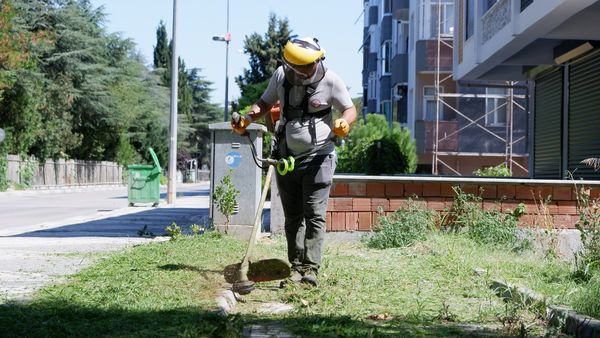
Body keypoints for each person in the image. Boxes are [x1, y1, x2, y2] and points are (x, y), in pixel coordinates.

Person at [231, 36, 357, 287]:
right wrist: (247, 118)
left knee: (314, 214)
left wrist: (344, 123)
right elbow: (264, 104)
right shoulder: (281, 76)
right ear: (288, 64)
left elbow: (349, 109)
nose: (301, 73)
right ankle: (296, 268)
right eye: (296, 68)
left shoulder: (331, 79)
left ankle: (311, 269)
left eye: (307, 68)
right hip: (286, 158)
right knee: (292, 217)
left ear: (318, 60)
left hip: (319, 156)